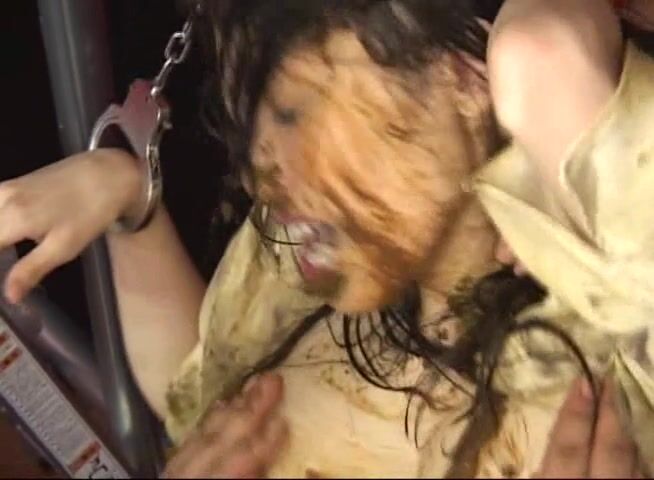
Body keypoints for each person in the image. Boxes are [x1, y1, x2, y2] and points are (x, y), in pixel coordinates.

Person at [1, 0, 653, 477]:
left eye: (293, 113)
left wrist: (532, 57)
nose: (259, 168)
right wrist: (129, 202)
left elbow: (547, 58)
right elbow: (202, 394)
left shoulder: (619, 299)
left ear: (464, 79)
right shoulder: (319, 274)